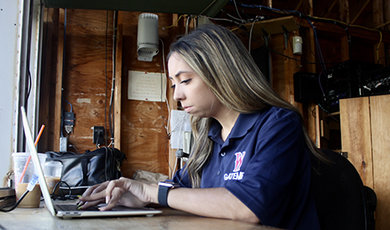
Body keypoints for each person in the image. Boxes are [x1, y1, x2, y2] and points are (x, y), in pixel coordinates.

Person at [78, 23, 322, 229]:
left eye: (185, 80)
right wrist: (136, 196)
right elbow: (180, 188)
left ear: (221, 72)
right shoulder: (210, 136)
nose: (177, 96)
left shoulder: (278, 125)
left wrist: (153, 193)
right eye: (174, 84)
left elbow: (250, 206)